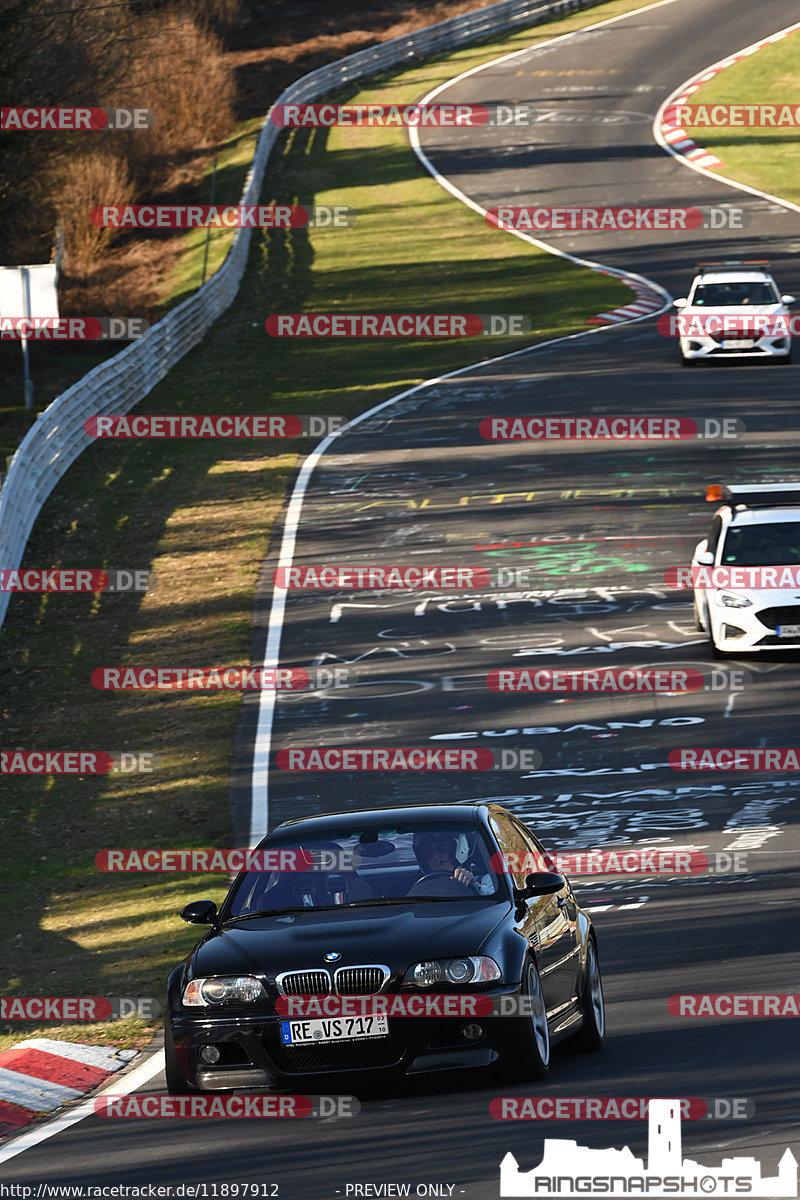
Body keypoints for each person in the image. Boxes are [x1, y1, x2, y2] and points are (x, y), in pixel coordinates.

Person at [411, 831, 494, 894]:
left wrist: (474, 886)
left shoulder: (485, 881)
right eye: (428, 854)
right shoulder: (419, 890)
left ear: (455, 851)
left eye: (442, 849)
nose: (436, 856)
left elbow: (497, 904)